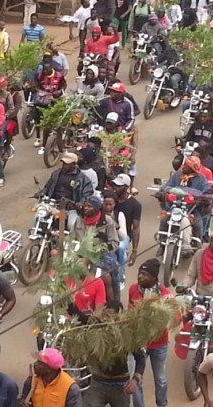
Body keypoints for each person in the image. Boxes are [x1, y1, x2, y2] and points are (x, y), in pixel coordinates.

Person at [84, 300, 146, 407]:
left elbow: (141, 358)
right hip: (98, 384)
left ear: (119, 317)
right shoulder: (98, 330)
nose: (108, 320)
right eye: (106, 316)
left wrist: (135, 380)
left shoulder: (128, 335)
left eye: (111, 316)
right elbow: (80, 316)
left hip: (121, 386)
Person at [128, 259, 171, 407]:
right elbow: (130, 312)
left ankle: (162, 403)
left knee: (161, 379)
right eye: (140, 273)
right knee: (135, 379)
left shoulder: (166, 295)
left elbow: (173, 319)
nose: (140, 277)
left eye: (144, 275)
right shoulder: (133, 290)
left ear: (154, 278)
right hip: (138, 342)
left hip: (159, 344)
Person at [40, 151, 94, 235]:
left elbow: (87, 194)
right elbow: (48, 186)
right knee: (39, 217)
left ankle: (71, 246)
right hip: (54, 204)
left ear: (74, 164)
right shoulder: (56, 174)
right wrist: (42, 192)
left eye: (67, 164)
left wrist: (79, 203)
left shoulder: (83, 179)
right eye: (63, 163)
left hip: (71, 208)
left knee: (72, 225)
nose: (64, 165)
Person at [113, 173, 141, 271]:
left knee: (120, 248)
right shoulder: (111, 200)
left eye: (119, 186)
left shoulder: (135, 205)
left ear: (126, 187)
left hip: (125, 235)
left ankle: (120, 275)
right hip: (109, 231)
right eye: (115, 185)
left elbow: (136, 228)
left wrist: (134, 251)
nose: (115, 188)